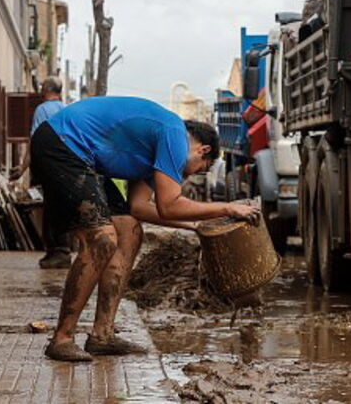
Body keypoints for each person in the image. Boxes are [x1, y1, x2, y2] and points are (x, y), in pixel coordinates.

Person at [31, 96, 259, 362]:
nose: (190, 176)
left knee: (129, 230)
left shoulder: (158, 151)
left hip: (83, 157)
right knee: (102, 239)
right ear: (203, 150)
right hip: (61, 144)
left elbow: (139, 207)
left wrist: (195, 224)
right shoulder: (174, 134)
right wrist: (227, 208)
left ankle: (102, 335)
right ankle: (62, 338)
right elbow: (170, 204)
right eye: (199, 171)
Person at [10, 77, 70, 268]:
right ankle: (60, 250)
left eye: (42, 86)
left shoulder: (42, 110)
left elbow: (35, 141)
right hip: (66, 166)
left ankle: (57, 251)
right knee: (60, 207)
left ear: (46, 89)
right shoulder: (67, 110)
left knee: (50, 208)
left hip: (48, 165)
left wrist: (22, 168)